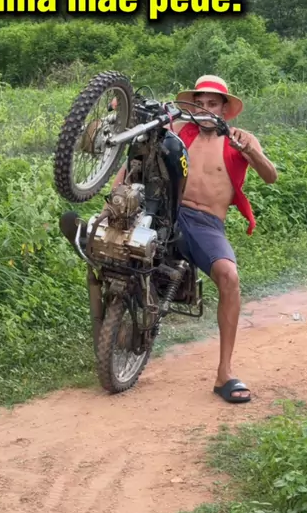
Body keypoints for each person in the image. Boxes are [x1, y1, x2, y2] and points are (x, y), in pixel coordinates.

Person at [112, 74, 278, 404]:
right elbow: (137, 158)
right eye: (199, 103)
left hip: (205, 223)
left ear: (224, 109)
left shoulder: (240, 139)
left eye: (212, 104)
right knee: (111, 246)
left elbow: (270, 176)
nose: (203, 109)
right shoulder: (177, 130)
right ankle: (118, 321)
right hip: (166, 211)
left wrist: (250, 152)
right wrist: (114, 196)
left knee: (229, 276)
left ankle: (224, 374)